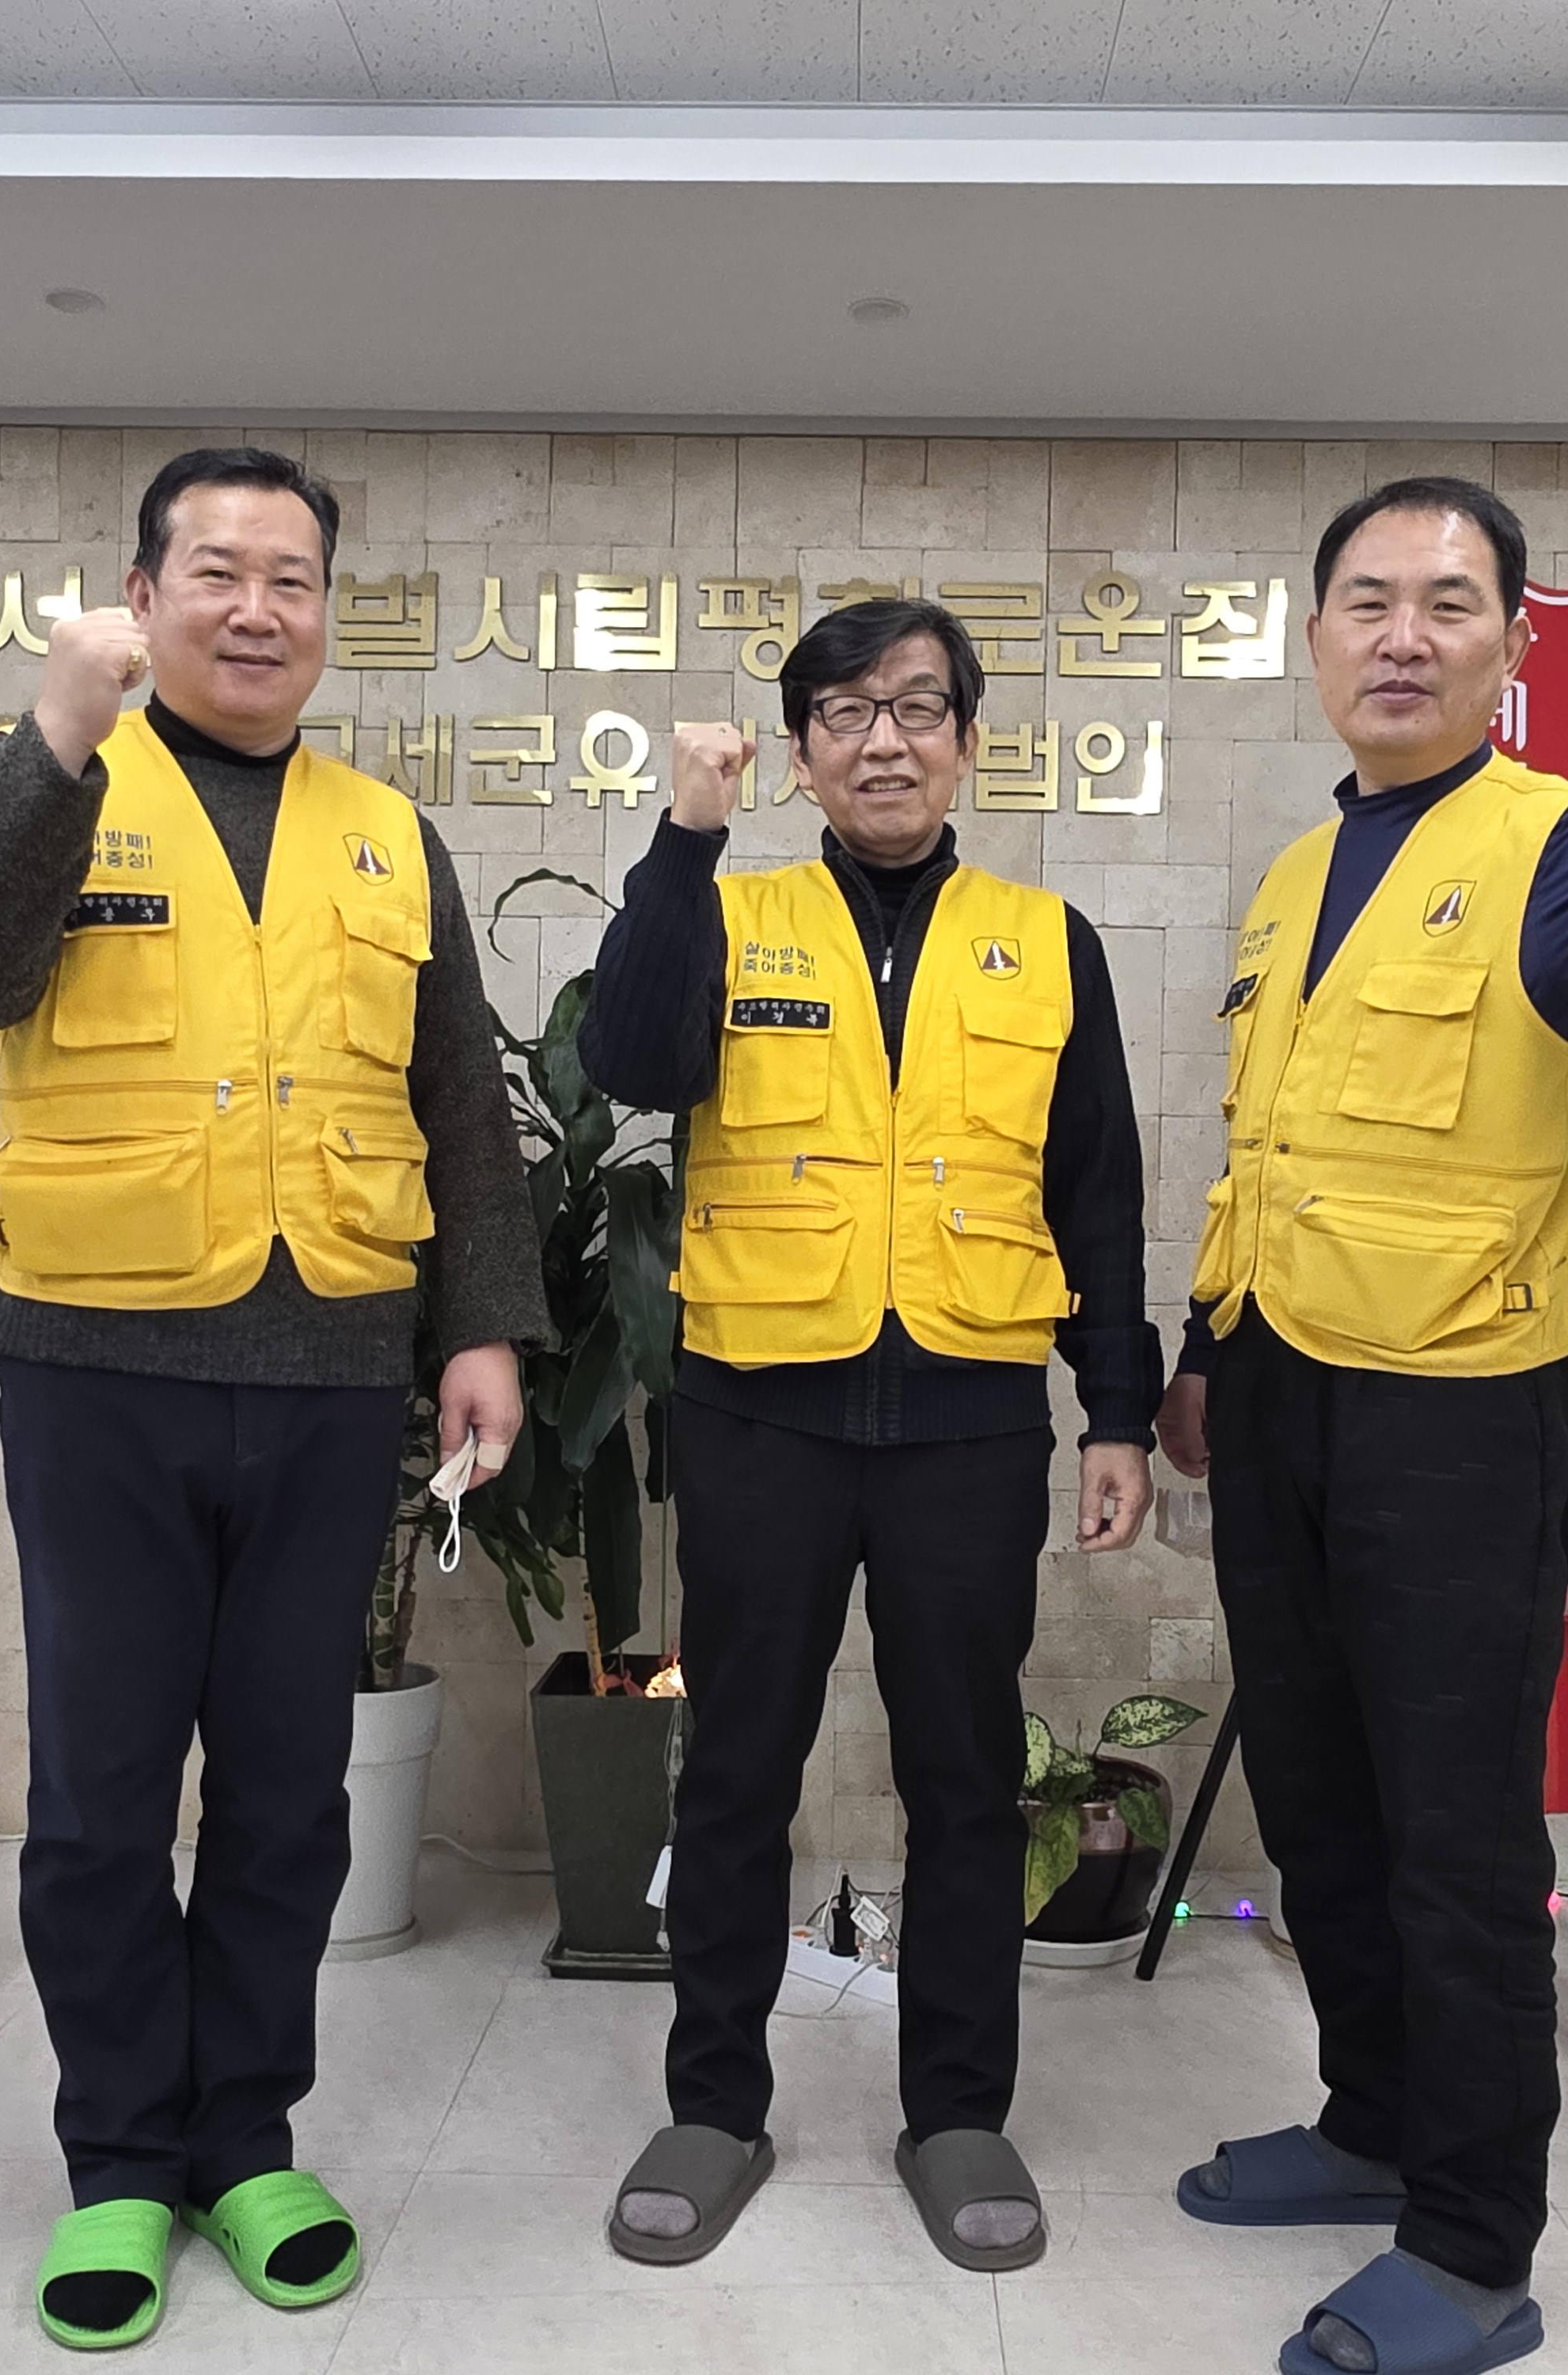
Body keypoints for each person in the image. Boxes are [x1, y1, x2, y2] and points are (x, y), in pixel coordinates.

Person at [0, 446, 547, 2351]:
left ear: (328, 611)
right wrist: (48, 742)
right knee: (98, 1798)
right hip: (96, 1369)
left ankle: (244, 2142)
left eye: (293, 578)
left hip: (330, 1371)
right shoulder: (61, 779)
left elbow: (457, 1100)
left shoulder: (384, 834)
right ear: (142, 595)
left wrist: (480, 1328)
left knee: (282, 1795)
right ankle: (115, 2164)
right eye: (219, 572)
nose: (259, 609)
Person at [1158, 477, 1568, 2375]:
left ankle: (1469, 2240)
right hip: (1275, 1389)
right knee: (1317, 1802)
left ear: (1511, 645)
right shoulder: (1297, 872)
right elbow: (1270, 1149)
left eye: (1445, 603)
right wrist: (1197, 1356)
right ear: (1313, 640)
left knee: (1450, 1838)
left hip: (1456, 1413)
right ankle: (1369, 2123)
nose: (1400, 635)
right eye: (1364, 600)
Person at [577, 598, 1163, 2273]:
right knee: (735, 1770)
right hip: (760, 1410)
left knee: (965, 1781)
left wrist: (1114, 1411)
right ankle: (714, 2107)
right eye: (844, 711)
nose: (883, 739)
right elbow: (626, 1057)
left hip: (967, 1420)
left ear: (967, 741)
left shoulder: (1046, 942)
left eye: (915, 708)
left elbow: (1095, 1191)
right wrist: (683, 839)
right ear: (800, 752)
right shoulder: (728, 910)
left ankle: (957, 2111)